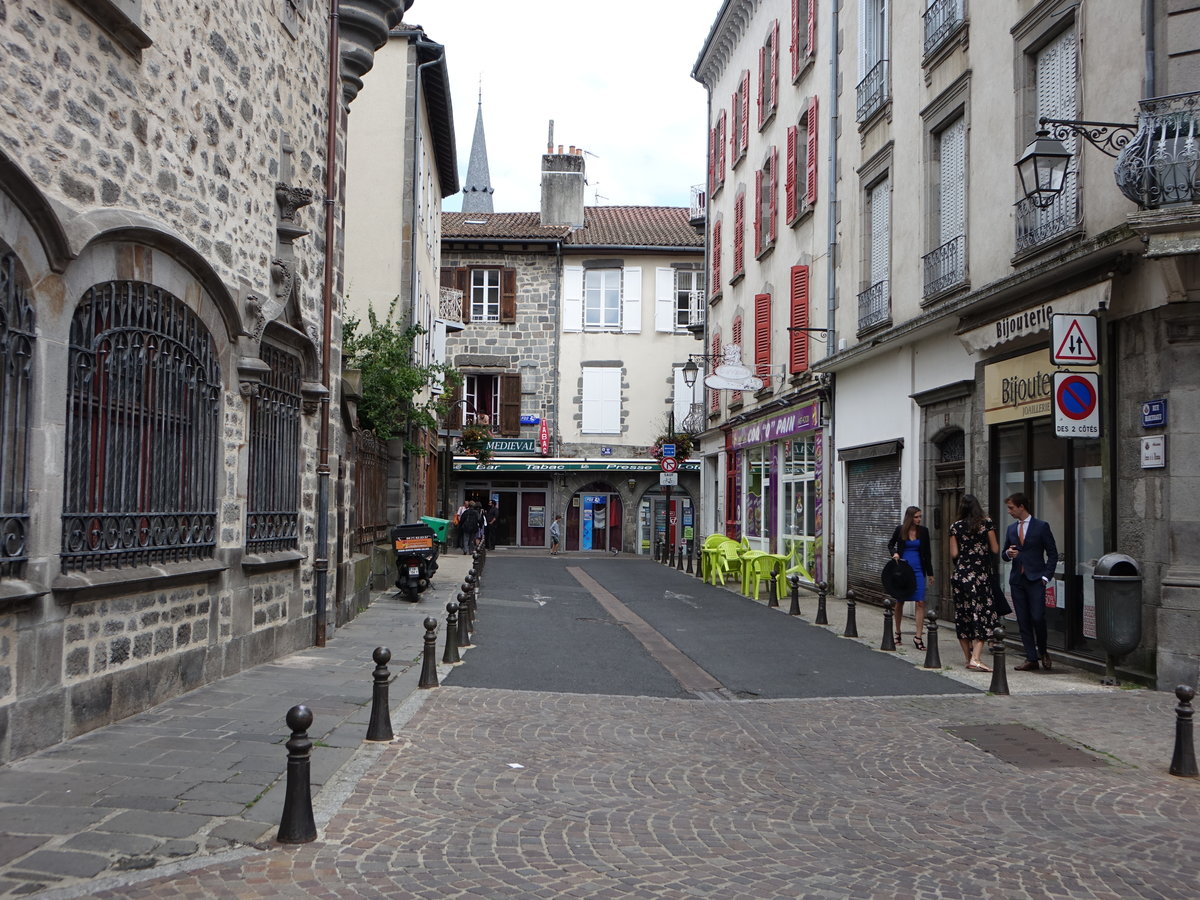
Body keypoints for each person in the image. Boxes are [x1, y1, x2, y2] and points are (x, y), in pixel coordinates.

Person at [1004, 492, 1059, 672]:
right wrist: (1008, 554)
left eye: (1011, 508)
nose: (1009, 511)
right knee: (1023, 620)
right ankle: (1031, 658)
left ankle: (1043, 650)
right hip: (1017, 580)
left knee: (1037, 617)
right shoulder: (1011, 529)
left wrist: (1045, 577)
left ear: (1021, 507)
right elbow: (1005, 553)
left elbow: (1052, 553)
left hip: (1036, 579)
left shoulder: (1041, 527)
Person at [949, 494, 1001, 671]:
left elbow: (954, 554)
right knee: (983, 613)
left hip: (960, 575)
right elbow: (995, 549)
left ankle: (968, 658)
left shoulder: (955, 527)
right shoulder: (986, 524)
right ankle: (976, 658)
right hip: (979, 576)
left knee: (963, 615)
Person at [888, 506, 933, 650]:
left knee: (920, 602)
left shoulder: (923, 531)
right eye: (916, 517)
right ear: (910, 518)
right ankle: (898, 631)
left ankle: (918, 636)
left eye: (920, 516)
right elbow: (890, 544)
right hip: (904, 570)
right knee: (900, 601)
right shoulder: (900, 530)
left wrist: (930, 573)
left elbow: (928, 553)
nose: (919, 519)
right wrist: (895, 554)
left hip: (919, 570)